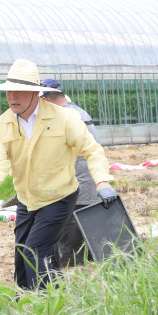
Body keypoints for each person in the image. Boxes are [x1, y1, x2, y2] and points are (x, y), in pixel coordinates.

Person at [0, 59, 117, 291]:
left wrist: (102, 182)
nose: (12, 96)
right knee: (21, 255)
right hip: (27, 198)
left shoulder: (64, 119)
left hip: (60, 196)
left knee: (35, 251)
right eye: (9, 91)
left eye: (20, 91)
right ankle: (25, 303)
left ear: (36, 93)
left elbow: (92, 150)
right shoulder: (1, 125)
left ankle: (45, 305)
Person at [40, 79, 101, 269]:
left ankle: (72, 293)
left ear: (48, 99)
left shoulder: (64, 117)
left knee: (69, 257)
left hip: (74, 194)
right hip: (90, 194)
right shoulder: (81, 112)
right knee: (85, 252)